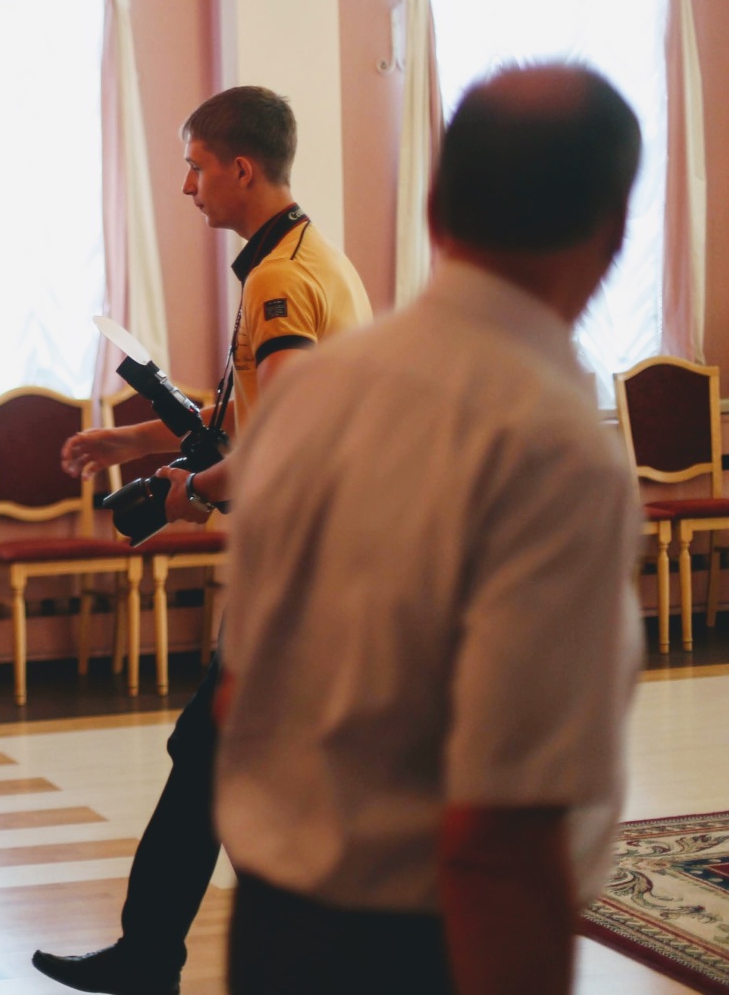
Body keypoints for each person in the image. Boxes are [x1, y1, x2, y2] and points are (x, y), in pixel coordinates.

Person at [213, 65, 644, 994]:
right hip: (426, 942)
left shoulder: (312, 394)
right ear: (613, 232)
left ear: (435, 208)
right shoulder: (554, 444)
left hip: (274, 926)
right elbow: (501, 828)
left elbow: (237, 691)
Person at [34, 86, 372, 994]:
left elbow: (286, 437)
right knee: (218, 760)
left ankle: (164, 958)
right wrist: (134, 442)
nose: (187, 186)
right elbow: (248, 410)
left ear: (241, 169)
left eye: (194, 166)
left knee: (221, 760)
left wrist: (194, 492)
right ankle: (154, 955)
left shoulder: (278, 280)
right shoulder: (305, 259)